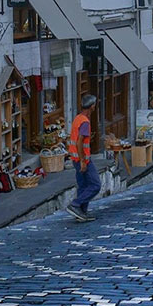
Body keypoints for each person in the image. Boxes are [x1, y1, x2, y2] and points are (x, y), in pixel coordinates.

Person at [66, 94, 101, 222]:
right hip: (83, 159)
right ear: (92, 107)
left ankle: (81, 212)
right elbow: (79, 142)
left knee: (83, 185)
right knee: (95, 185)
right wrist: (83, 161)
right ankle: (75, 205)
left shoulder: (77, 118)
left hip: (75, 158)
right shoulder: (85, 122)